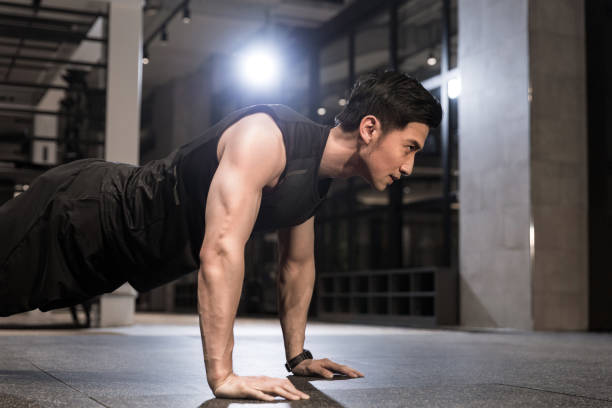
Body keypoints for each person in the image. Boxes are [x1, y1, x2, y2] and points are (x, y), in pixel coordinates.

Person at [0, 70, 442, 401]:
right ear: (370, 128)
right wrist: (223, 376)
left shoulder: (315, 182)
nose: (408, 168)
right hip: (84, 211)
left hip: (112, 256)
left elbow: (297, 265)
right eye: (410, 148)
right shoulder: (265, 138)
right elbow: (221, 249)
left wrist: (298, 358)